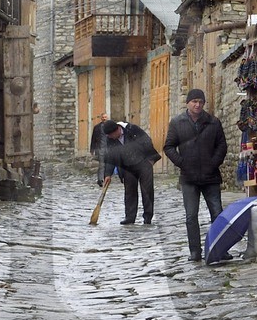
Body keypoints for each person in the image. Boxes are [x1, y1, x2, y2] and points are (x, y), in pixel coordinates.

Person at [164, 88, 228, 262]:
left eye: (200, 102)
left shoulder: (213, 122)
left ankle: (220, 248)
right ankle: (195, 251)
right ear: (188, 103)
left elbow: (222, 145)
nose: (197, 105)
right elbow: (168, 147)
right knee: (191, 216)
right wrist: (182, 163)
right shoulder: (177, 123)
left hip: (210, 176)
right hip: (189, 177)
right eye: (194, 102)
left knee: (217, 213)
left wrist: (213, 163)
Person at [98, 119, 160, 225]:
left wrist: (150, 160)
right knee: (129, 191)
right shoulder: (111, 139)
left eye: (111, 135)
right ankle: (130, 217)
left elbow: (147, 141)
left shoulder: (132, 129)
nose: (110, 137)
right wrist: (108, 174)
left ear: (117, 130)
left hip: (143, 163)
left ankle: (148, 217)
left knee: (147, 191)